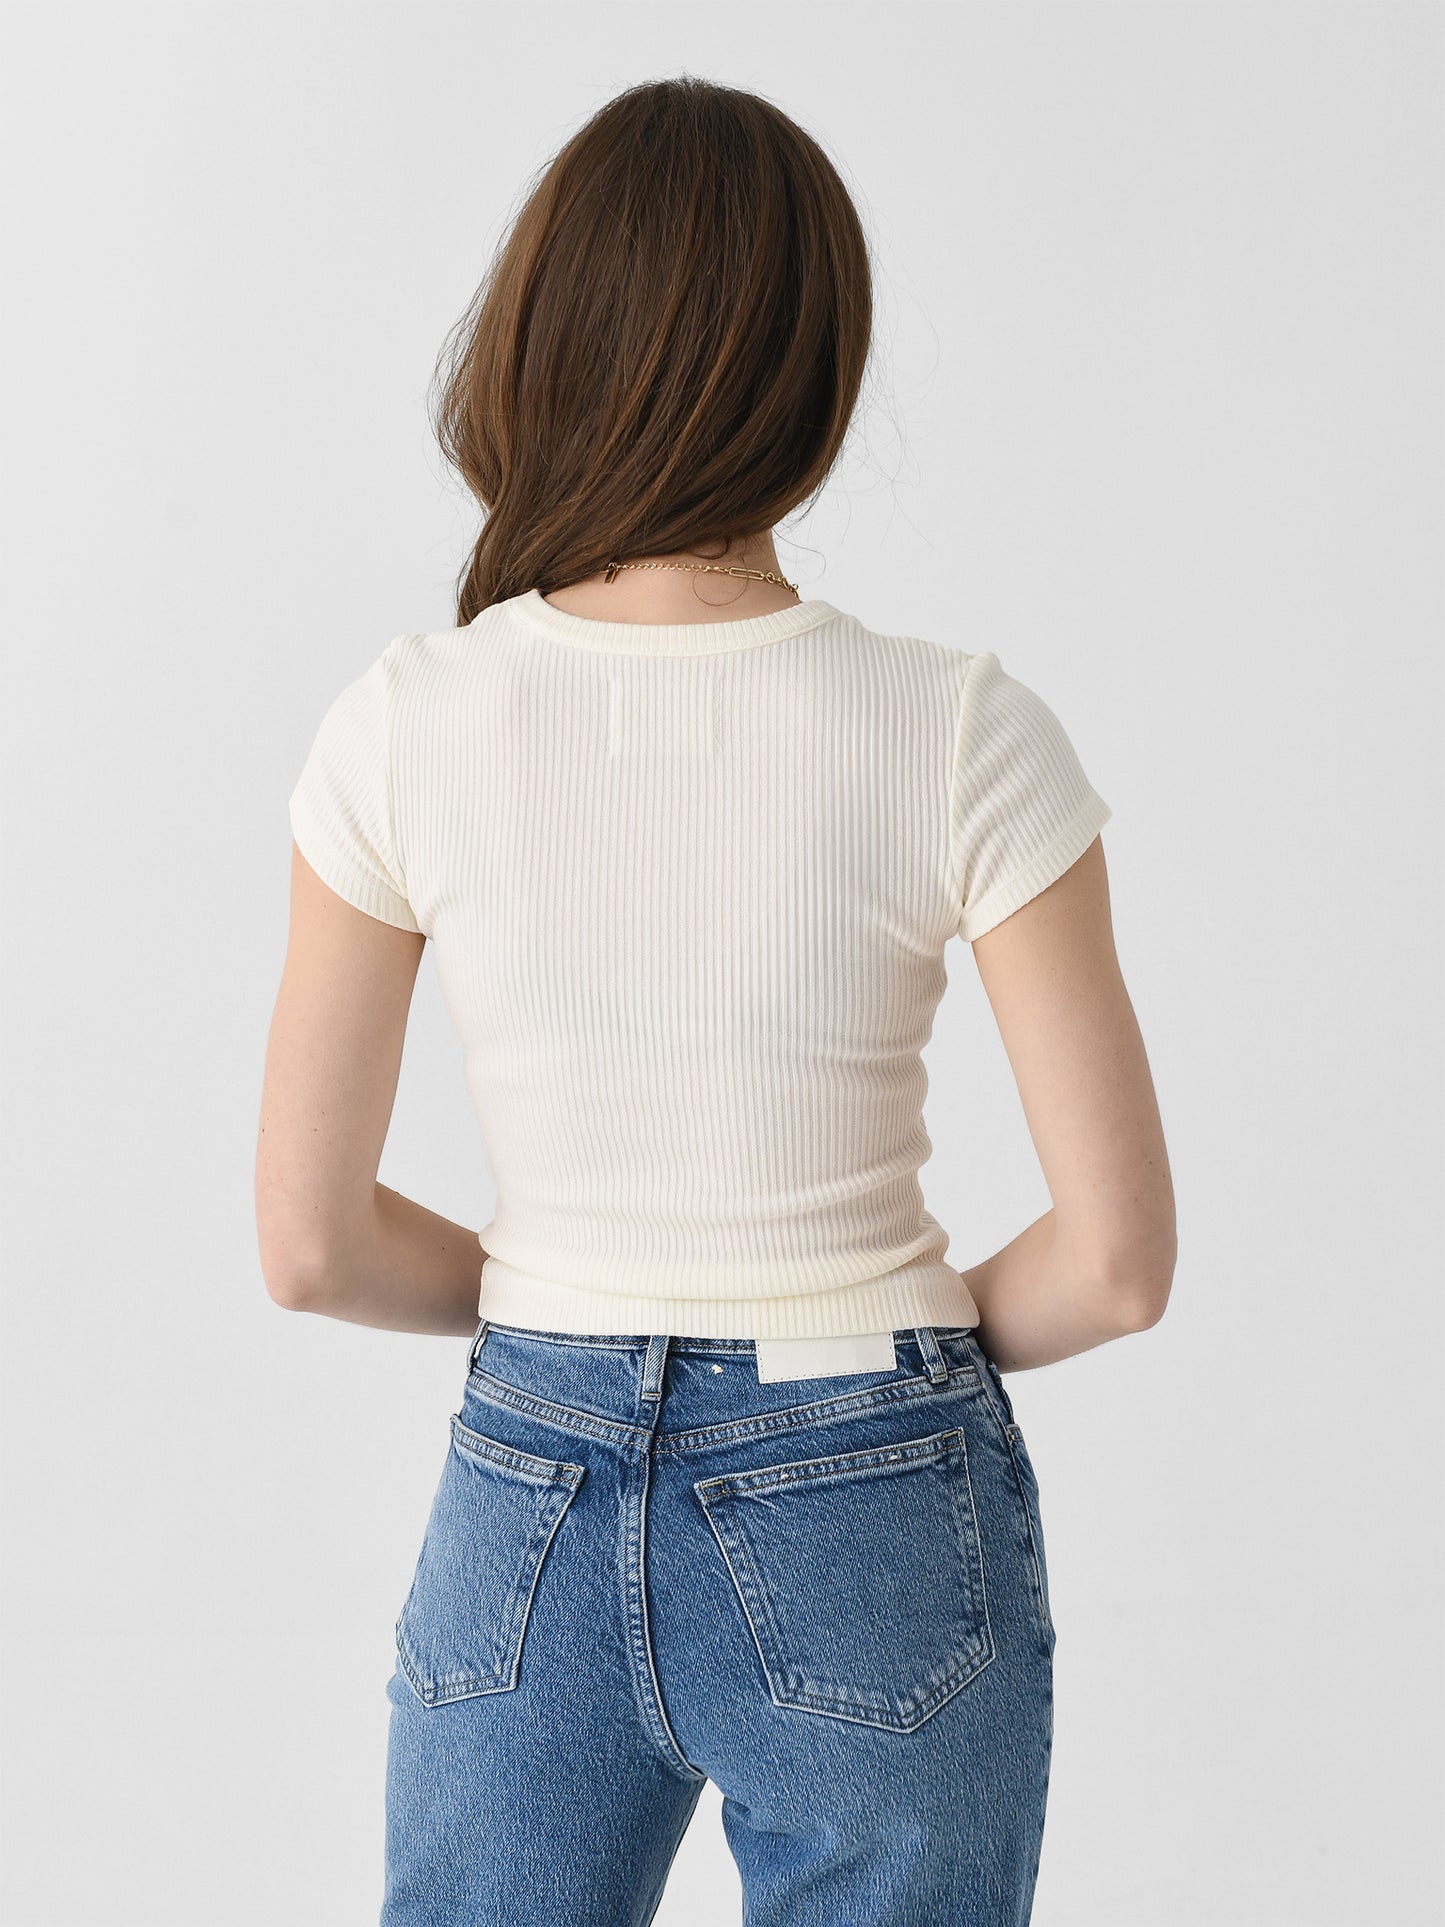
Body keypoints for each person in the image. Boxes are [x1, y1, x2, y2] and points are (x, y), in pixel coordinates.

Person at [256, 73, 1176, 1927]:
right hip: (871, 1468)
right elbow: (1113, 1265)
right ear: (817, 376)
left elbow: (311, 1244)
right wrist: (886, 1369)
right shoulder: (958, 727)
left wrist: (573, 1309)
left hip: (530, 1472)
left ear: (536, 345)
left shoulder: (406, 723)